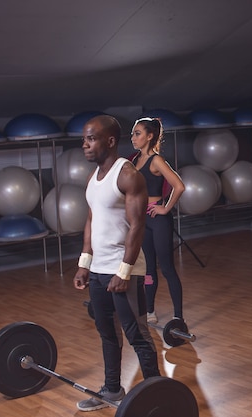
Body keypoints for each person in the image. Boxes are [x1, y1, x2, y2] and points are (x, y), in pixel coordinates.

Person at [73, 115, 161, 412]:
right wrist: (85, 263)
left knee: (137, 334)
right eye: (84, 139)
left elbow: (137, 227)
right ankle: (112, 389)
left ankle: (158, 394)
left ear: (110, 141)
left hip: (124, 270)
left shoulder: (127, 175)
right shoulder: (94, 178)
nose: (85, 145)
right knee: (106, 332)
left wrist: (123, 272)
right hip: (98, 271)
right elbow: (91, 220)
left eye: (91, 139)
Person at [130, 117, 186, 323]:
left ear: (150, 136)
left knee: (167, 268)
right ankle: (150, 311)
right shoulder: (135, 160)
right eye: (133, 133)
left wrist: (165, 208)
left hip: (158, 220)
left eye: (137, 133)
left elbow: (179, 186)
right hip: (142, 220)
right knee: (148, 270)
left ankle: (178, 316)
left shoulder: (156, 160)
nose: (133, 138)